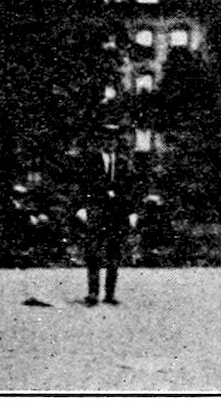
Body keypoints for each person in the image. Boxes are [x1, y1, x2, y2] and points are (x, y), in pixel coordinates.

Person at [73, 124, 135, 307]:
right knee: (93, 251)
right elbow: (82, 185)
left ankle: (110, 293)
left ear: (117, 142)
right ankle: (93, 292)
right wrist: (81, 207)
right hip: (96, 210)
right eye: (106, 139)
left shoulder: (123, 162)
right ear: (101, 141)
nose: (110, 143)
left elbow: (130, 189)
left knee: (114, 252)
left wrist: (131, 211)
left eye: (113, 139)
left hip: (117, 212)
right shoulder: (91, 161)